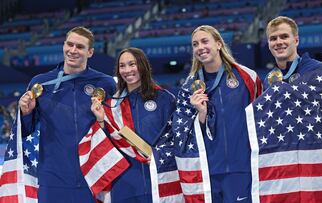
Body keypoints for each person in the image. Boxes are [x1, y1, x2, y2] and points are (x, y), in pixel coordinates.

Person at [250, 16, 322, 202]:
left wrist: (287, 92)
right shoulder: (270, 79)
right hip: (283, 168)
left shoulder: (320, 71)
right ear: (268, 43)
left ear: (296, 40)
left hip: (312, 163)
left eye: (284, 36)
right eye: (273, 38)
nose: (279, 42)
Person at [18, 26, 117, 202]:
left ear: (90, 52)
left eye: (79, 47)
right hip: (52, 177)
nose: (73, 50)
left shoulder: (106, 84)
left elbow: (116, 126)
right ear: (63, 45)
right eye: (69, 44)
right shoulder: (41, 83)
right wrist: (26, 113)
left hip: (94, 174)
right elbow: (26, 132)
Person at [173, 25, 262, 202]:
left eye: (205, 41)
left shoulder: (247, 77)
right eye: (195, 44)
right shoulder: (189, 87)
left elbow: (262, 121)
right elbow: (180, 131)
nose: (200, 47)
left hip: (243, 169)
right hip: (207, 172)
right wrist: (201, 114)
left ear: (219, 44)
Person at [90, 47, 176, 202]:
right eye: (122, 66)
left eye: (132, 64)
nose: (127, 70)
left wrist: (160, 157)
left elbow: (176, 138)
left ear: (142, 65)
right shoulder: (110, 107)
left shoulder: (164, 99)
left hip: (159, 181)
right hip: (125, 185)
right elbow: (105, 147)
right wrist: (101, 120)